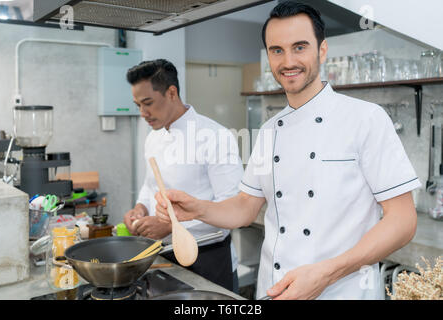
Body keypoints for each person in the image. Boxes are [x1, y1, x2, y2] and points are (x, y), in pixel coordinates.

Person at [154, 2, 421, 300]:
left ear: (322, 50)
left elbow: (403, 221)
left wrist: (327, 273)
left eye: (300, 47)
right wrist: (197, 207)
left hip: (342, 291)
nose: (288, 60)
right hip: (274, 290)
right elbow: (245, 207)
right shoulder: (269, 130)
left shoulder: (366, 119)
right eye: (277, 50)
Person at [123, 59, 243, 293]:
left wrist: (169, 227)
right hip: (165, 258)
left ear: (172, 92)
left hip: (209, 259)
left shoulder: (215, 136)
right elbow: (150, 186)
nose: (142, 113)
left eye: (148, 103)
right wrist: (141, 208)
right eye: (137, 105)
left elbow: (232, 207)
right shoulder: (153, 137)